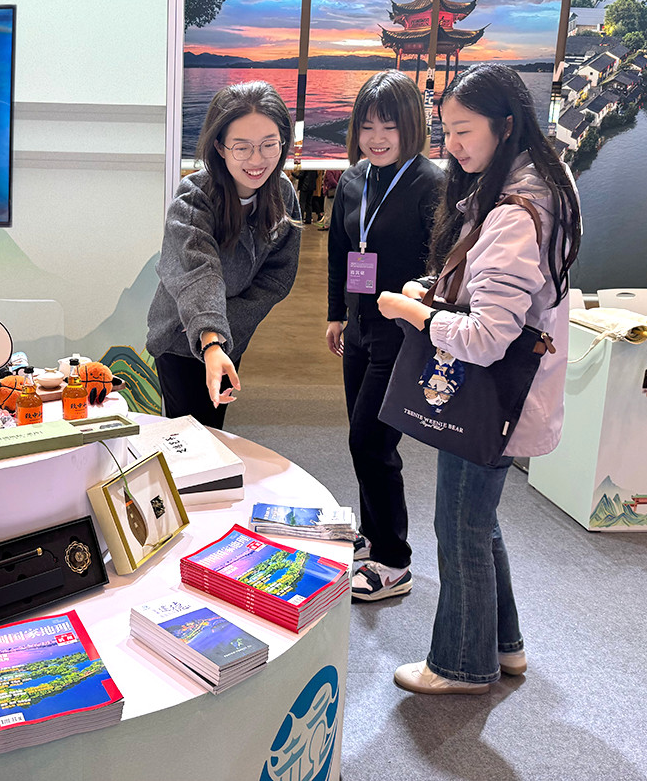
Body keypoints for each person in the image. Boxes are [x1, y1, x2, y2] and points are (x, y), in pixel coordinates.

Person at [377, 63, 581, 694]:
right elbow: (497, 294)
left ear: (506, 125)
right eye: (447, 131)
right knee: (478, 518)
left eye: (465, 131)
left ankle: (462, 665)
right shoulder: (543, 183)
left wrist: (413, 312)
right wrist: (437, 290)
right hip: (514, 396)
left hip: (490, 398)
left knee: (460, 525)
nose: (453, 146)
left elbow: (488, 338)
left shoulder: (515, 211)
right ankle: (504, 643)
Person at [325, 70, 444, 601]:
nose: (376, 138)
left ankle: (394, 560)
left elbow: (442, 264)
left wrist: (419, 299)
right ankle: (372, 537)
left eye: (388, 127)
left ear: (411, 126)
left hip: (401, 333)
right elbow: (340, 249)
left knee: (372, 441)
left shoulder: (431, 184)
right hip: (359, 328)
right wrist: (337, 314)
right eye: (367, 126)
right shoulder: (354, 179)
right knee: (363, 436)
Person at [147, 80, 301, 428]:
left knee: (212, 429)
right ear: (220, 146)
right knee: (189, 433)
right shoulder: (195, 196)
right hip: (182, 336)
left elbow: (277, 277)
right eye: (242, 147)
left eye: (269, 145)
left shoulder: (282, 194)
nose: (257, 160)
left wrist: (226, 331)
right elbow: (198, 273)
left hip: (231, 336)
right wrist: (211, 338)